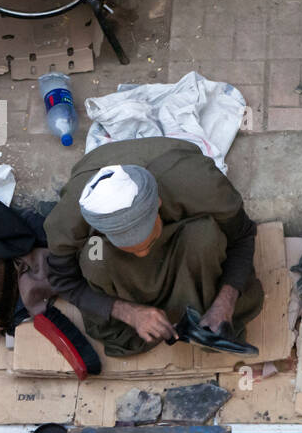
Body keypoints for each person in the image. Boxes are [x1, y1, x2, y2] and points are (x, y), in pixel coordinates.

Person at [43, 137, 263, 356]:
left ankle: (202, 315)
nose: (142, 253)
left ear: (158, 203)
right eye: (131, 247)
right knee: (94, 257)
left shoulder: (199, 185)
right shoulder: (71, 219)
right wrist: (127, 312)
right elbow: (64, 280)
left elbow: (243, 236)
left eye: (146, 243)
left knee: (204, 235)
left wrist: (225, 302)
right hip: (115, 267)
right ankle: (144, 313)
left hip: (182, 245)